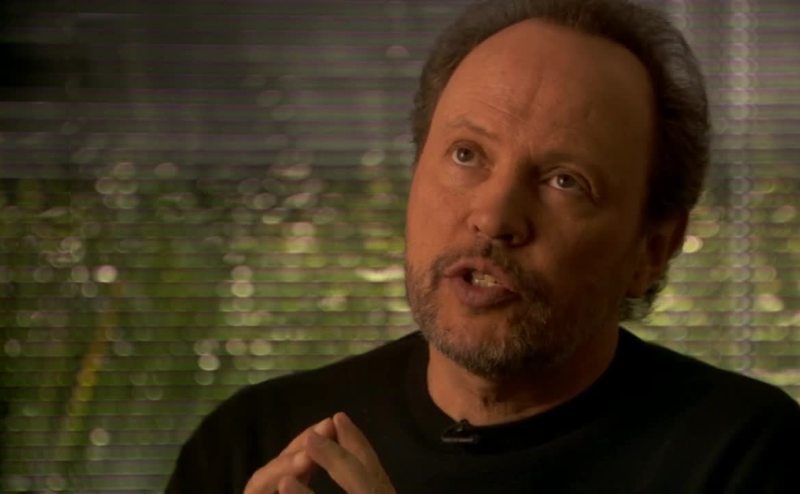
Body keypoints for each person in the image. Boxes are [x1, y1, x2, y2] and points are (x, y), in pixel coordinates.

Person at [166, 0, 800, 492]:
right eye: (467, 154)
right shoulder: (253, 443)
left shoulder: (748, 455)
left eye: (565, 181)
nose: (494, 218)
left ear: (652, 251)